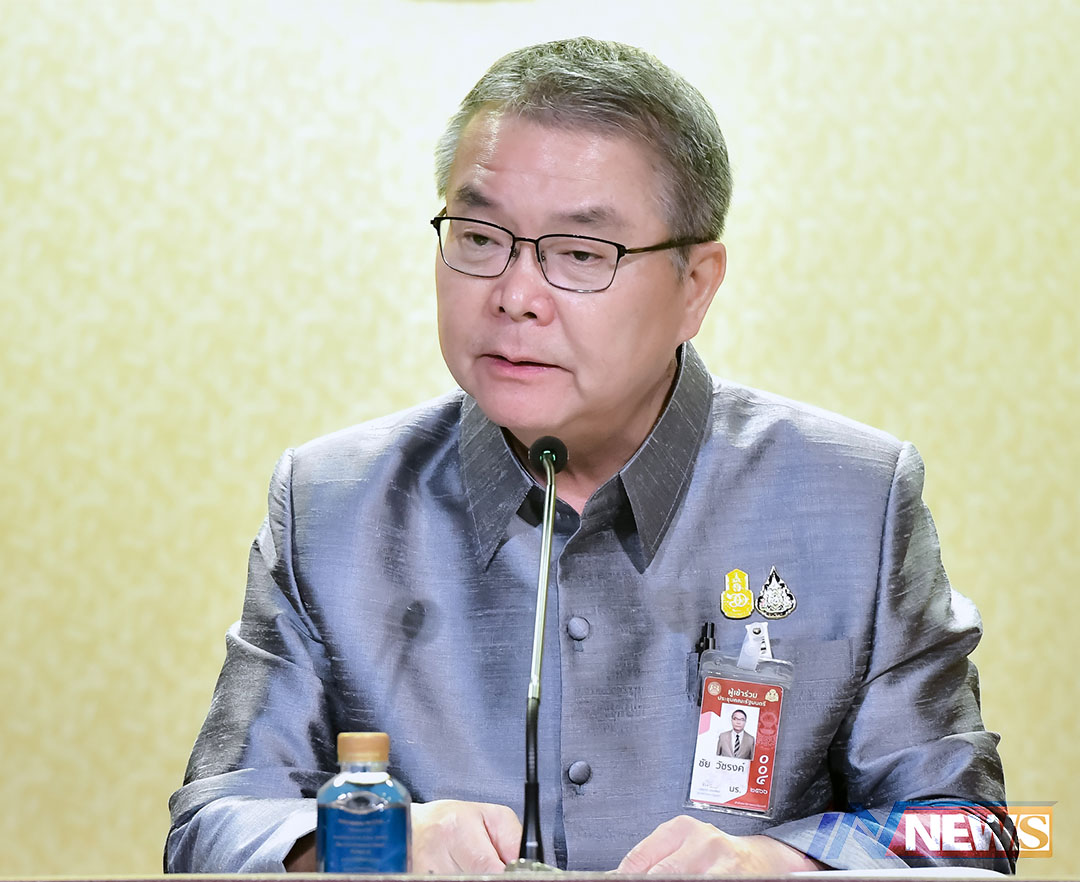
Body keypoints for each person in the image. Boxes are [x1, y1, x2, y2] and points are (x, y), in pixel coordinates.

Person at [166, 37, 1013, 875]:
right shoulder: (329, 502)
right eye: (479, 237)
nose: (515, 296)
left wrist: (784, 864)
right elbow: (209, 827)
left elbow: (988, 835)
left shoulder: (859, 499)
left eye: (579, 254)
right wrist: (372, 843)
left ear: (696, 285)